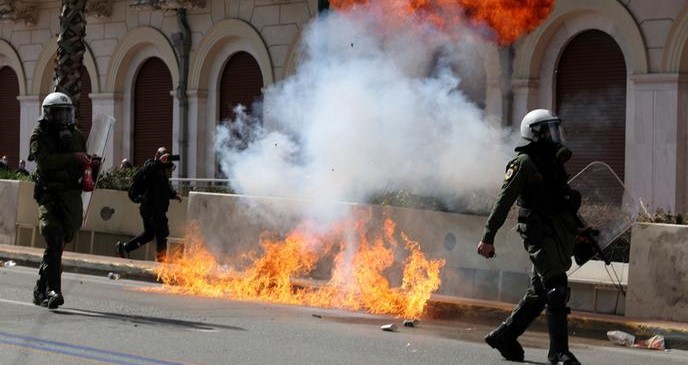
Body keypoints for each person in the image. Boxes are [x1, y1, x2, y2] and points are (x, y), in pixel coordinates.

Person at [477, 109, 582, 365]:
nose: (554, 135)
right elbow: (504, 201)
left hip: (557, 231)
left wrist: (582, 231)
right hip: (538, 232)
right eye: (548, 130)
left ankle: (504, 336)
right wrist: (488, 236)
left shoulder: (553, 163)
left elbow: (563, 200)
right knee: (556, 287)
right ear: (535, 134)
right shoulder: (524, 163)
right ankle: (558, 353)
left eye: (555, 129)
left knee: (540, 292)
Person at [30, 91, 92, 309]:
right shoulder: (40, 135)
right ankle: (53, 291)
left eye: (66, 113)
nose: (62, 118)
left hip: (70, 197)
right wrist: (72, 158)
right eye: (57, 113)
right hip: (49, 194)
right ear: (48, 114)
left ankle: (40, 288)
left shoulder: (76, 136)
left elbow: (82, 161)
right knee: (53, 238)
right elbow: (45, 162)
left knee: (59, 244)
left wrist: (89, 166)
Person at [116, 147, 182, 262]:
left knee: (150, 234)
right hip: (150, 208)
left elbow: (163, 189)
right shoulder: (151, 165)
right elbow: (146, 171)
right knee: (161, 232)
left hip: (158, 209)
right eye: (163, 155)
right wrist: (158, 161)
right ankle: (162, 260)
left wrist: (174, 194)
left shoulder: (161, 171)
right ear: (157, 155)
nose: (166, 158)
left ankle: (124, 248)